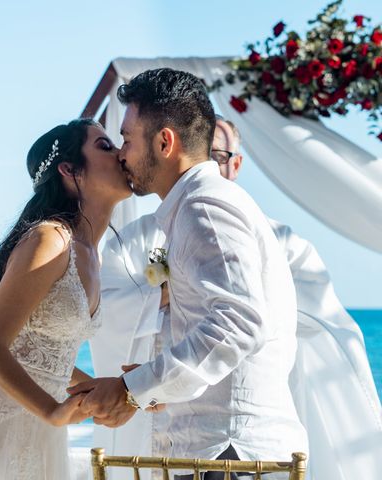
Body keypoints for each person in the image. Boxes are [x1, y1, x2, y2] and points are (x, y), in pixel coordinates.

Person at [91, 114, 382, 479]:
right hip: (182, 422)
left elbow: (247, 321)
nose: (207, 163)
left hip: (227, 438)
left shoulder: (217, 215)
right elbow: (107, 306)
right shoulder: (141, 234)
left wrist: (134, 388)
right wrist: (158, 306)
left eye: (218, 155)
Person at [69, 68, 309, 478]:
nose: (122, 154)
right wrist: (152, 386)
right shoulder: (197, 207)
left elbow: (237, 324)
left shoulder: (206, 208)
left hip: (229, 453)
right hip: (220, 451)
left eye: (127, 139)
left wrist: (130, 392)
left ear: (165, 142)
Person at [0, 119, 131, 480]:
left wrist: (100, 388)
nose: (120, 154)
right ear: (69, 170)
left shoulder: (91, 253)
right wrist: (52, 410)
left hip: (40, 433)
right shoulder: (49, 239)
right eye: (104, 146)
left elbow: (43, 355)